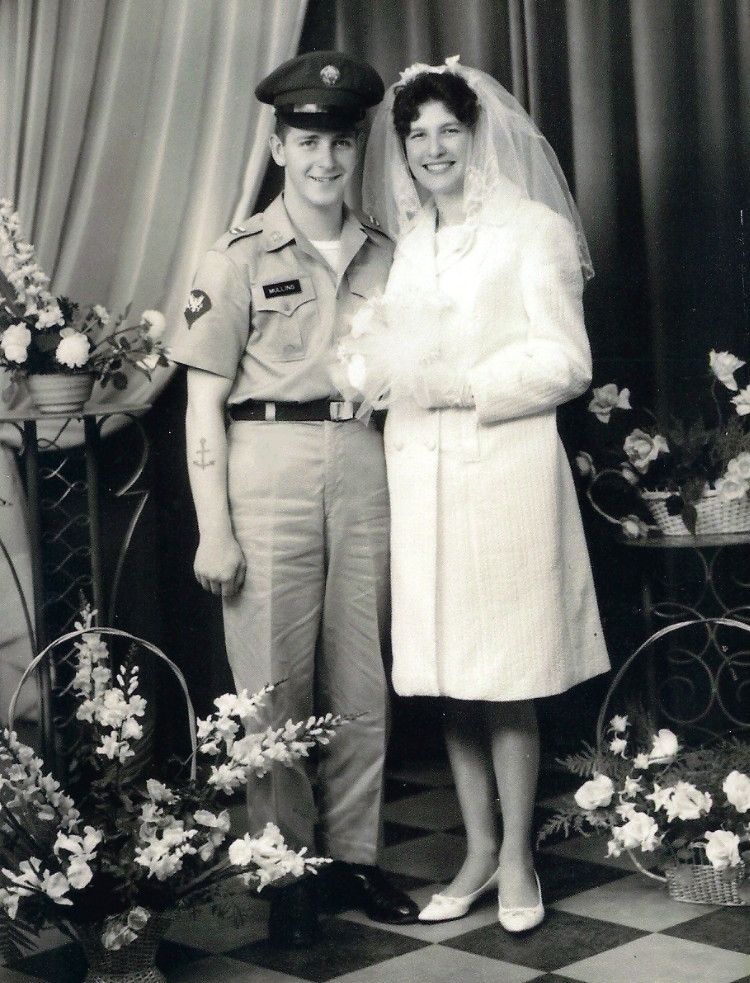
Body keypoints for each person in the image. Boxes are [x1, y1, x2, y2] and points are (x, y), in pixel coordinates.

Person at [339, 57, 610, 933]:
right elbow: (390, 344)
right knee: (449, 677)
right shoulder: (410, 243)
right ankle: (479, 848)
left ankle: (521, 855)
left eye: (448, 130)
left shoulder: (532, 230)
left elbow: (567, 361)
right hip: (423, 479)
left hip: (503, 476)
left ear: (476, 133)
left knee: (506, 675)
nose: (432, 148)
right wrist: (370, 372)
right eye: (416, 134)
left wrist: (466, 386)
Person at [169, 50, 419, 948]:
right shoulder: (236, 256)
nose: (325, 159)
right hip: (264, 461)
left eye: (341, 142)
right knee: (271, 682)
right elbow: (202, 402)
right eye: (307, 141)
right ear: (278, 147)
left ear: (358, 149)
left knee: (361, 676)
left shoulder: (389, 254)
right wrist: (214, 528)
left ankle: (354, 854)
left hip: (363, 459)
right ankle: (286, 868)